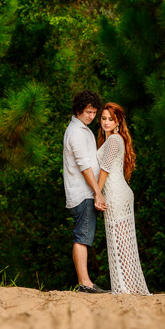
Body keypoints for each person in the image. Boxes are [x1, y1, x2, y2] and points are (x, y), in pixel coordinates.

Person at [95, 102, 150, 295]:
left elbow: (105, 169)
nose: (106, 122)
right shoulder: (112, 140)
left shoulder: (114, 141)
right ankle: (129, 286)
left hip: (116, 195)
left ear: (118, 121)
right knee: (122, 241)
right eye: (103, 118)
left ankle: (127, 288)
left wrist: (97, 193)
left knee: (121, 242)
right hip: (119, 193)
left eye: (111, 119)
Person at [62, 89, 108, 294]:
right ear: (79, 109)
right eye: (89, 112)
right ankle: (85, 283)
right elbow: (84, 166)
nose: (92, 116)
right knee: (82, 237)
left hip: (84, 192)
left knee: (83, 236)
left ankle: (85, 281)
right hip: (82, 193)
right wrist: (97, 192)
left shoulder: (82, 129)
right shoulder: (75, 132)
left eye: (94, 112)